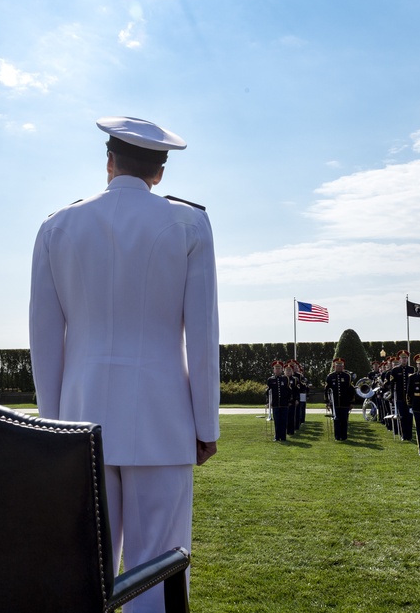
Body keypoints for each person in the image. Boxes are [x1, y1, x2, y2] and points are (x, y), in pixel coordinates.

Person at [29, 116, 220, 613]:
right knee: (157, 569)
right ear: (160, 172)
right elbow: (202, 337)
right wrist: (206, 425)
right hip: (162, 421)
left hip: (79, 419)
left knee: (81, 571)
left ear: (108, 162)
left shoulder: (58, 225)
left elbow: (45, 340)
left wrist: (52, 429)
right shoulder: (188, 223)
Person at [325, 358, 355, 441]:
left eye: (341, 366)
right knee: (336, 420)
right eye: (337, 366)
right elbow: (327, 390)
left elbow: (351, 390)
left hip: (345, 403)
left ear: (343, 366)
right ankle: (337, 437)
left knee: (344, 420)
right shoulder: (330, 376)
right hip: (334, 403)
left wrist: (352, 402)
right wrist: (327, 402)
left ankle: (344, 436)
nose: (339, 367)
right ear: (334, 366)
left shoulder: (347, 376)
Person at [265, 360, 292, 441]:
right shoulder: (270, 379)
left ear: (281, 369)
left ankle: (283, 437)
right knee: (277, 421)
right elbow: (268, 392)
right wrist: (268, 402)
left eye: (279, 368)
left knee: (283, 421)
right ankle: (277, 437)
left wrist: (289, 400)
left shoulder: (285, 378)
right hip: (275, 404)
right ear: (273, 370)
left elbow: (289, 390)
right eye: (276, 368)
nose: (277, 370)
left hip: (284, 403)